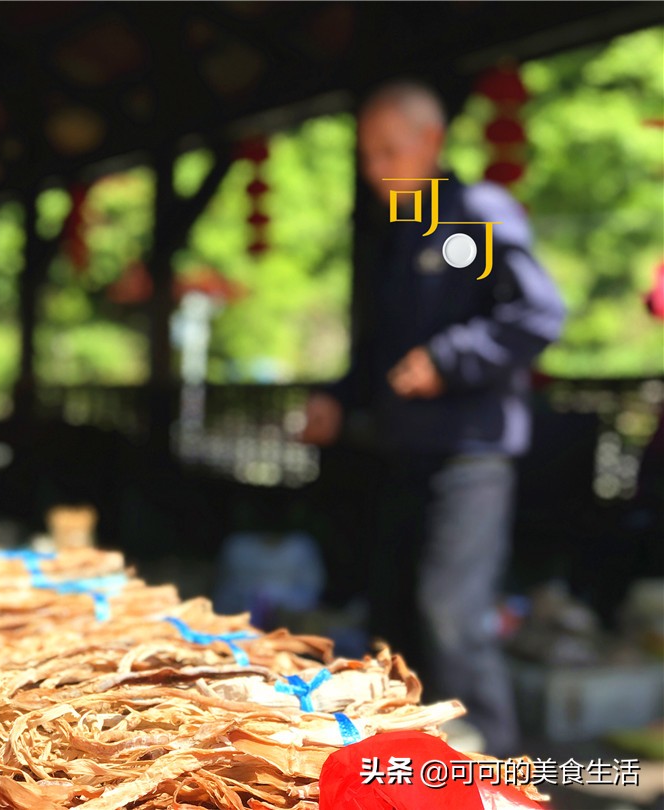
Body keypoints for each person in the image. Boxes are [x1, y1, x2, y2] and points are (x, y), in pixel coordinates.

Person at [301, 81, 566, 755]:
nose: (375, 168)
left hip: (467, 455)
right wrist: (339, 395)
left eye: (389, 150)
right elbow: (381, 353)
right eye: (368, 154)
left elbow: (536, 313)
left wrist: (448, 360)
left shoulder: (468, 220)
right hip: (402, 453)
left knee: (452, 619)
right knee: (391, 624)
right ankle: (412, 777)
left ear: (432, 141)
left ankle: (503, 777)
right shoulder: (403, 233)